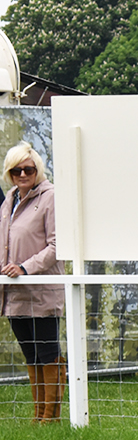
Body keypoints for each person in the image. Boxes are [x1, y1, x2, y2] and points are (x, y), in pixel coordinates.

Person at [0, 142, 65, 423]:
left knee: (47, 353)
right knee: (30, 354)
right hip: (14, 294)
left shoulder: (50, 197)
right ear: (9, 174)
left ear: (37, 169)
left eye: (28, 169)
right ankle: (38, 415)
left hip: (42, 292)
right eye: (16, 170)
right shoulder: (9, 200)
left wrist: (25, 268)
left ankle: (51, 418)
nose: (22, 175)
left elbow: (56, 246)